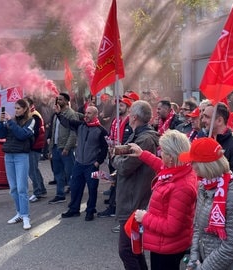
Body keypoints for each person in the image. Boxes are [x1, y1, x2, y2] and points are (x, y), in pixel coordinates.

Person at [128, 130, 198, 270]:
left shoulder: (182, 186)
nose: (160, 153)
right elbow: (160, 165)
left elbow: (172, 227)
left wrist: (145, 218)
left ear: (171, 157)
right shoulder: (179, 169)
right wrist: (142, 154)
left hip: (168, 246)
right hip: (165, 244)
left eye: (163, 151)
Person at [179, 138, 233, 270]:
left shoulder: (231, 195)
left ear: (205, 165)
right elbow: (197, 228)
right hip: (206, 261)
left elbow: (231, 247)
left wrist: (203, 268)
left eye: (193, 162)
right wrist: (193, 260)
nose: (191, 165)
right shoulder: (204, 186)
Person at [112, 100, 160, 269]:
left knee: (126, 250)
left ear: (134, 117)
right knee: (134, 249)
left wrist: (114, 157)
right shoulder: (140, 135)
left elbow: (125, 166)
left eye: (130, 113)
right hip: (133, 196)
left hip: (134, 201)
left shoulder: (145, 139)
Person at [58, 106, 108, 221]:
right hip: (79, 164)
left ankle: (90, 210)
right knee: (75, 187)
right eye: (86, 113)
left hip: (91, 165)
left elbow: (105, 148)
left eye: (89, 113)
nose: (86, 115)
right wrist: (58, 114)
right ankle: (74, 209)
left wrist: (98, 162)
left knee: (92, 189)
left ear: (95, 115)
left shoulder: (101, 130)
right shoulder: (80, 125)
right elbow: (66, 122)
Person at [0, 99, 35, 230]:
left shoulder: (31, 120)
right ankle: (19, 213)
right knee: (13, 188)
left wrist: (11, 122)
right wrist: (1, 122)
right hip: (9, 155)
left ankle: (25, 216)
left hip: (21, 156)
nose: (16, 110)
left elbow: (22, 135)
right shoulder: (11, 120)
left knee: (21, 188)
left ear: (25, 109)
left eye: (19, 108)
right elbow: (1, 134)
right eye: (15, 108)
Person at [200, 102, 233, 191]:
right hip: (205, 199)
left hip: (225, 200)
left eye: (207, 117)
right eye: (203, 116)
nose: (203, 120)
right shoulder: (204, 141)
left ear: (219, 120)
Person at [47, 93, 80, 204]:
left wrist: (67, 147)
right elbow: (53, 132)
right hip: (57, 147)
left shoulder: (71, 114)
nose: (58, 101)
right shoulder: (57, 114)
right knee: (58, 173)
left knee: (70, 172)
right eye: (57, 99)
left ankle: (76, 193)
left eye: (61, 100)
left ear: (66, 101)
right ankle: (60, 194)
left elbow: (73, 132)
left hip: (66, 148)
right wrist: (51, 148)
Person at [23, 97, 47, 202]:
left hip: (34, 147)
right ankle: (41, 189)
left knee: (32, 170)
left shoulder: (34, 116)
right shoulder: (31, 114)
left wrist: (29, 144)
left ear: (30, 105)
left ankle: (37, 192)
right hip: (34, 146)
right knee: (34, 169)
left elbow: (35, 133)